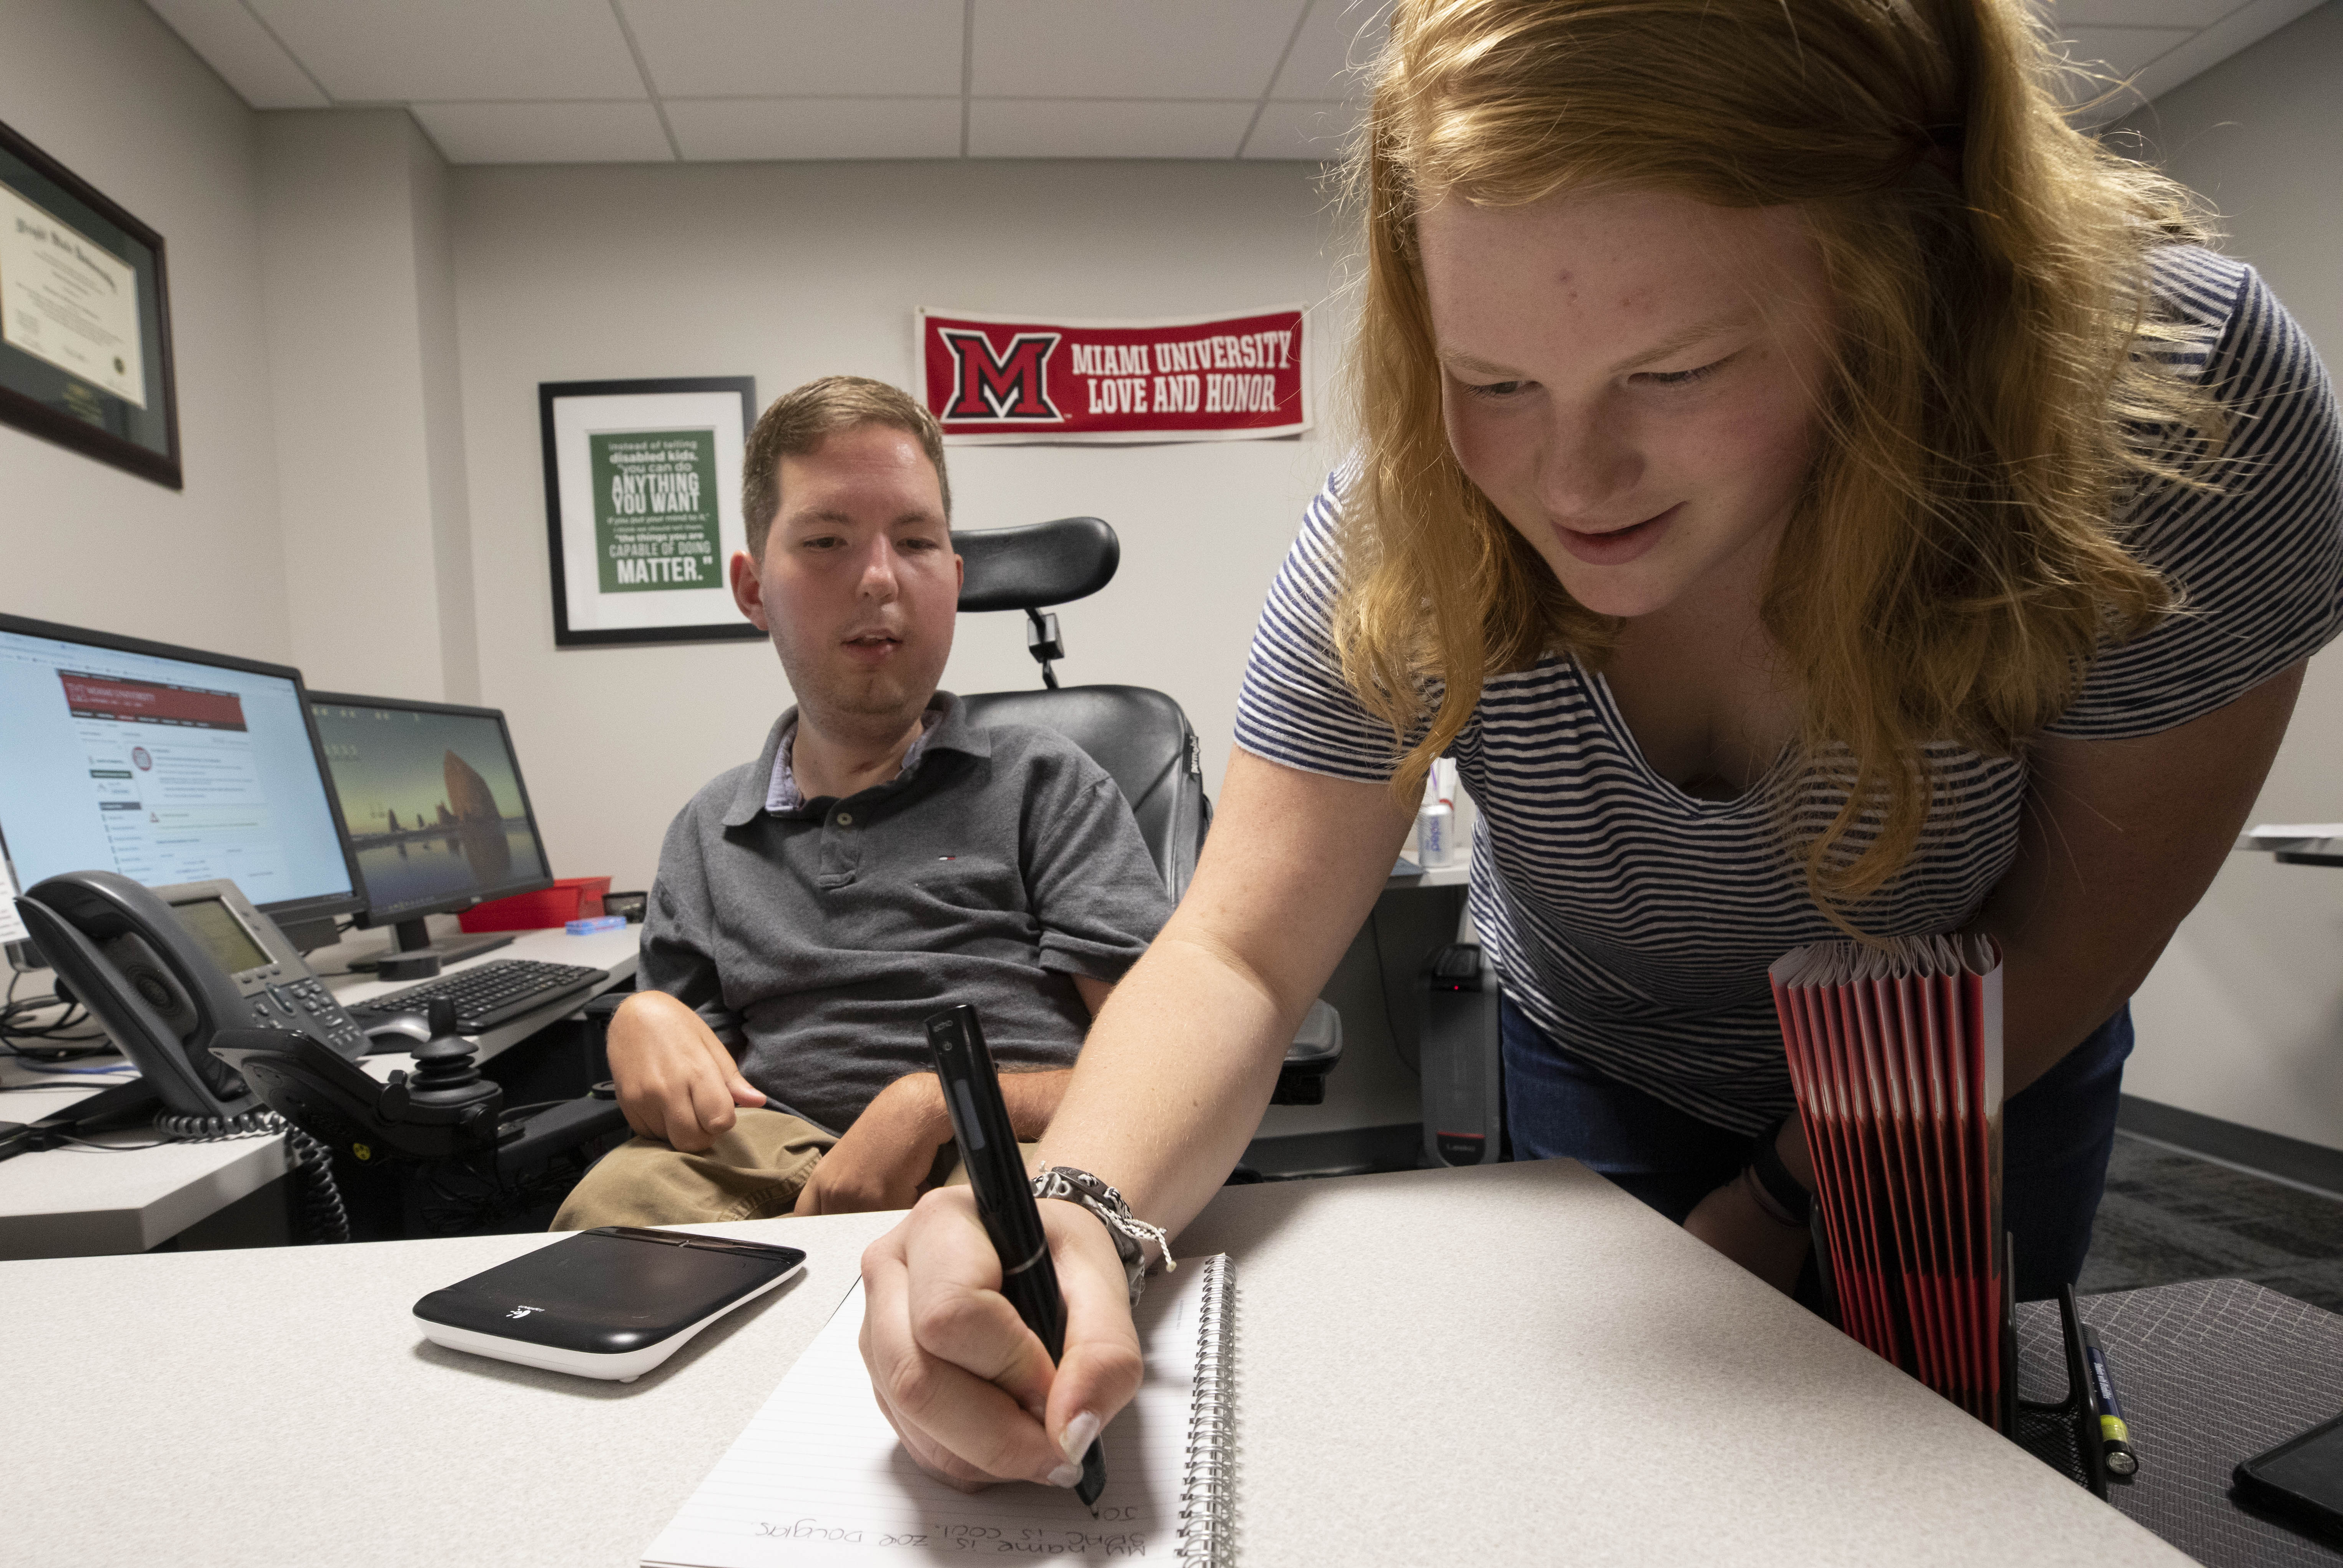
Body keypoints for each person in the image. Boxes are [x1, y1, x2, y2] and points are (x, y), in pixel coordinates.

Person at [855, 0, 2343, 1492]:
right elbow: (1242, 946)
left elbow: (2078, 921)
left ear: (1912, 281)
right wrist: (1080, 1205)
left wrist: (1773, 1202)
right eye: (1494, 379)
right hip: (1600, 1038)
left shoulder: (2164, 409)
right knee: (1632, 1489)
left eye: (1677, 369)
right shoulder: (1414, 513)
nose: (1569, 486)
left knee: (1949, 1480)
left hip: (1974, 1046)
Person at [551, 377, 1171, 1231]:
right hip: (774, 1167)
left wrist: (937, 1105)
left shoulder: (1047, 785)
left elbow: (1162, 1067)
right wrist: (642, 1024)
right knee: (611, 1217)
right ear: (752, 589)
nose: (879, 577)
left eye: (915, 541)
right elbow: (687, 1108)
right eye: (827, 540)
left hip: (1002, 1150)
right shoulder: (707, 834)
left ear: (952, 579)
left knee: (1013, 1240)